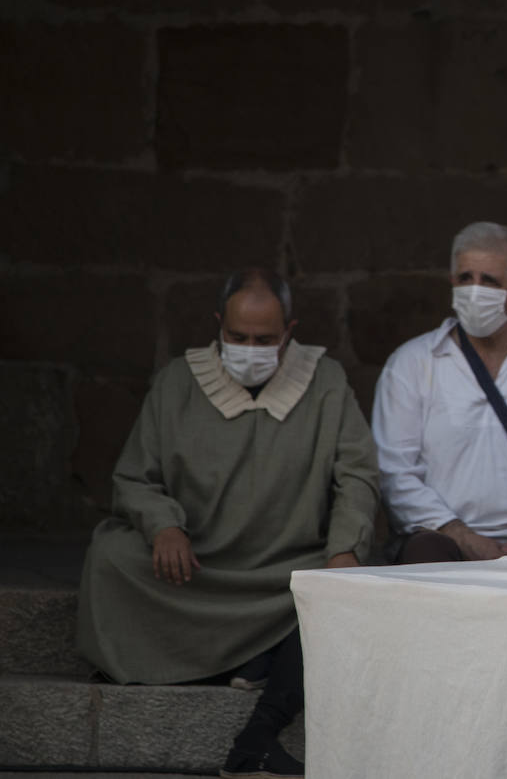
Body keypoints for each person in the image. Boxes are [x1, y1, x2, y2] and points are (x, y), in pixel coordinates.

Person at [76, 269, 380, 779]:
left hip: (283, 566)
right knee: (110, 557)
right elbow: (133, 478)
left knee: (339, 585)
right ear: (219, 325)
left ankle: (245, 657)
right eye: (238, 337)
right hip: (195, 564)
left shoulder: (324, 382)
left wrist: (344, 551)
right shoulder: (177, 381)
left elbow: (358, 476)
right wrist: (163, 527)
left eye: (265, 339)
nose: (250, 348)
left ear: (290, 330)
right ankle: (248, 655)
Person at [372, 222, 507, 565]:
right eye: (465, 278)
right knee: (425, 561)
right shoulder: (411, 364)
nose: (474, 290)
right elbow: (395, 472)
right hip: (441, 537)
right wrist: (458, 534)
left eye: (490, 281)